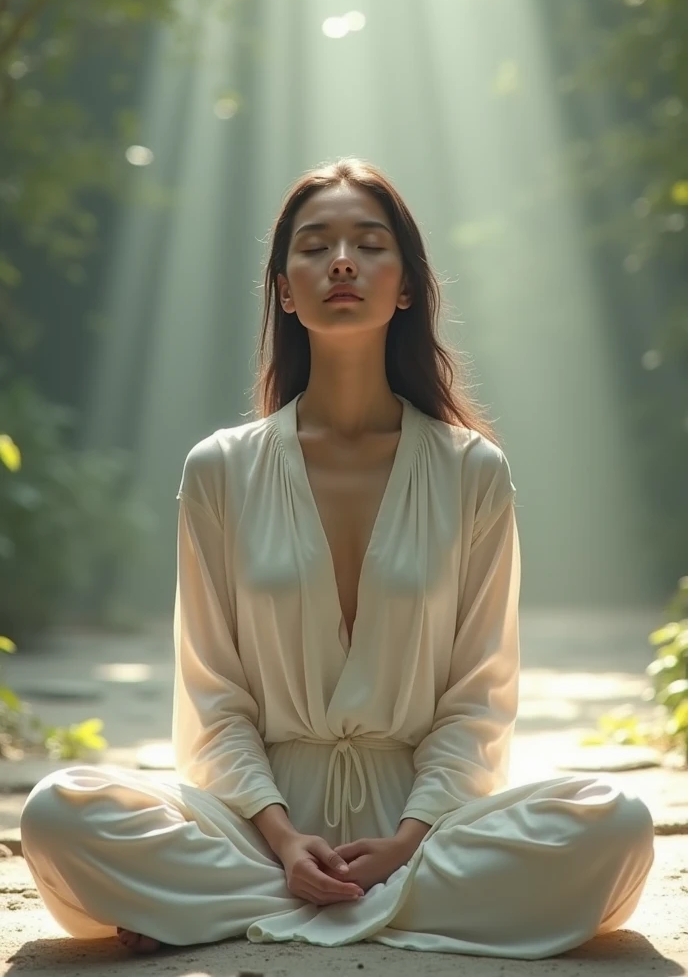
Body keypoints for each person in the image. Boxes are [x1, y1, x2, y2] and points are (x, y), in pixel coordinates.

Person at [20, 158, 654, 960]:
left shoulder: (471, 472)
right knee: (56, 809)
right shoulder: (220, 467)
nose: (342, 261)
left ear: (409, 285)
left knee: (620, 825)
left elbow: (477, 700)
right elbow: (213, 697)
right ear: (285, 289)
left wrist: (407, 839)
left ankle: (243, 906)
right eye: (315, 247)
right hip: (258, 825)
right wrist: (285, 840)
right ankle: (369, 904)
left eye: (368, 244)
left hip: (424, 829)